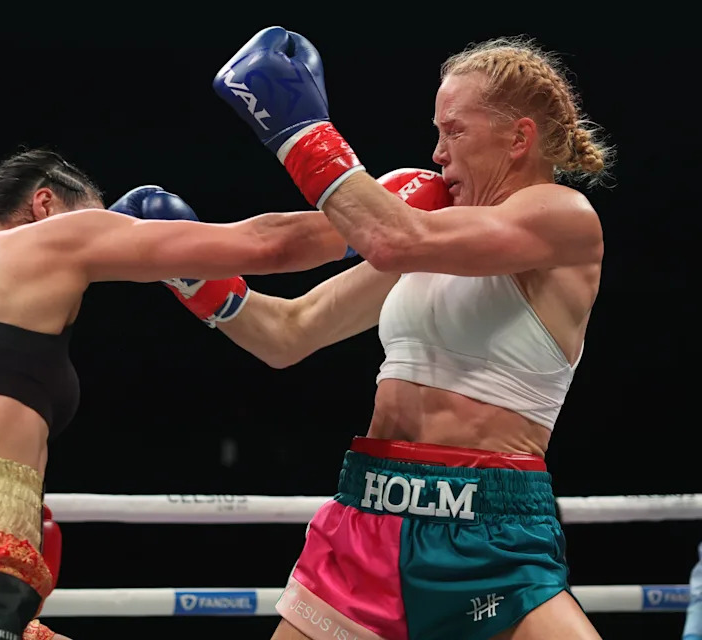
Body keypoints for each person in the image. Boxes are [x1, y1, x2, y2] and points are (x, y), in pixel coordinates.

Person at [160, 28, 613, 640]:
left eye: (454, 130)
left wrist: (303, 134)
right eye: (437, 132)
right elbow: (288, 333)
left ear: (518, 138)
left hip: (489, 528)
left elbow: (394, 238)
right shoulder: (428, 230)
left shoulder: (563, 218)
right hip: (366, 515)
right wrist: (199, 284)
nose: (438, 153)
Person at [0, 147, 355, 640]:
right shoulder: (48, 240)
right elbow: (269, 242)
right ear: (45, 204)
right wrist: (389, 210)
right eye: (95, 217)